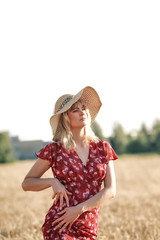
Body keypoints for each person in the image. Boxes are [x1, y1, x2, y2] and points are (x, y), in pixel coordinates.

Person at [22, 86, 118, 240]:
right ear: (65, 118)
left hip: (88, 225)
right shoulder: (54, 150)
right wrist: (52, 182)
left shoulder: (103, 148)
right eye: (75, 110)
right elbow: (26, 184)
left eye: (83, 108)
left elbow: (110, 191)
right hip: (60, 223)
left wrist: (79, 210)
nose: (82, 112)